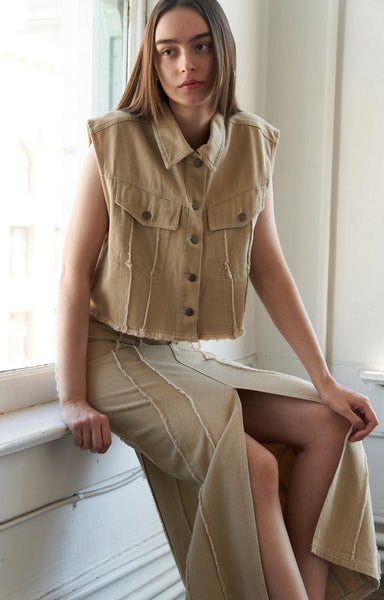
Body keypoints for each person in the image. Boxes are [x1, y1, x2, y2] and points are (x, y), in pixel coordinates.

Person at [56, 1, 381, 598]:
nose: (186, 64)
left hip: (183, 355)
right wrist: (72, 396)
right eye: (168, 50)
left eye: (201, 46)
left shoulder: (253, 144)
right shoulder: (112, 143)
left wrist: (325, 380)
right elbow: (74, 277)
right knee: (253, 466)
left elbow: (269, 267)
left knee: (328, 426)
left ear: (223, 50)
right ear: (151, 62)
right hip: (114, 358)